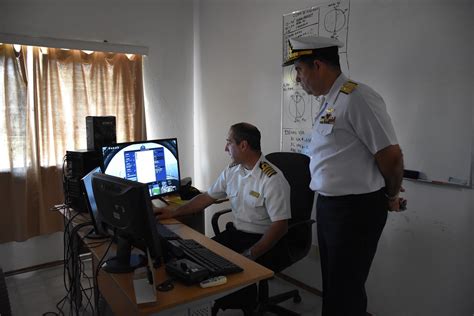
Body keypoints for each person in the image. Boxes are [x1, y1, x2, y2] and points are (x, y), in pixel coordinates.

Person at [283, 36, 405, 316]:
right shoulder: (331, 101)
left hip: (355, 211)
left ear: (317, 65)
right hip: (330, 206)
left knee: (346, 288)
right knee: (335, 286)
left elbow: (392, 156)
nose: (298, 79)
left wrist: (391, 195)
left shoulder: (358, 98)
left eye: (300, 70)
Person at [155, 121, 291, 264]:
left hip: (263, 240)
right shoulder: (233, 170)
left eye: (229, 142)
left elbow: (280, 226)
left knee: (228, 271)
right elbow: (207, 197)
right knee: (195, 256)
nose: (226, 148)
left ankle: (247, 285)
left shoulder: (272, 179)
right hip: (237, 234)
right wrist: (174, 212)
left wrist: (250, 255)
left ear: (243, 145)